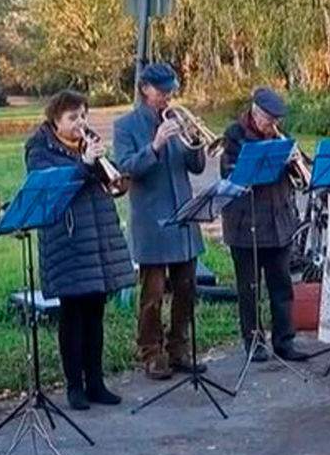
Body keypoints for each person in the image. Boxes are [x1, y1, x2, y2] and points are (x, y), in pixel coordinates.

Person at [25, 90, 134, 410]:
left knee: (95, 314)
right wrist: (84, 165)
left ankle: (96, 382)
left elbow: (113, 182)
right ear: (55, 120)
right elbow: (52, 186)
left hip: (97, 240)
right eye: (73, 117)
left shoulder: (89, 142)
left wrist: (107, 168)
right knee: (72, 315)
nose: (80, 123)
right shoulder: (39, 150)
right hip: (67, 240)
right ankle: (74, 386)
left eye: (83, 115)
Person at [113, 63, 206, 380]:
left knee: (186, 289)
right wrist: (155, 145)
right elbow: (126, 167)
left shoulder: (178, 119)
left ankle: (179, 348)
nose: (167, 97)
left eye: (170, 91)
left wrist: (196, 141)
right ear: (144, 89)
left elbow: (194, 166)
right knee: (152, 295)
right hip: (152, 221)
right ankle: (151, 351)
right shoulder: (126, 125)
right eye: (161, 91)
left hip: (184, 217)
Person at [220, 87, 308, 362]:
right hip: (246, 224)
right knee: (250, 289)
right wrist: (273, 160)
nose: (273, 126)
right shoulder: (234, 134)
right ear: (255, 112)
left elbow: (305, 175)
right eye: (268, 120)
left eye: (275, 121)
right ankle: (254, 341)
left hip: (279, 222)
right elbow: (231, 173)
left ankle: (285, 341)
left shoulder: (281, 137)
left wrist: (297, 161)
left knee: (282, 286)